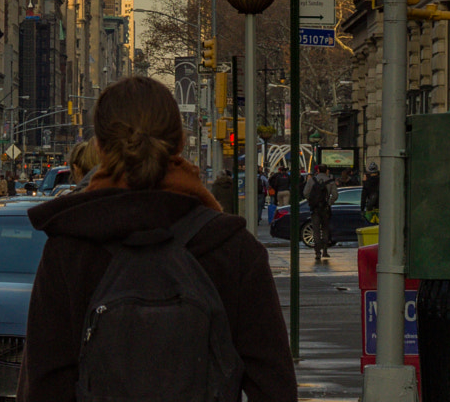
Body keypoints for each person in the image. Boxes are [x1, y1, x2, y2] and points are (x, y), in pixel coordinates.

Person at [17, 76, 297, 402]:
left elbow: (43, 384)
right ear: (180, 144)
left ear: (100, 148)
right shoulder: (231, 247)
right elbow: (275, 383)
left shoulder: (70, 248)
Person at [305, 167, 333, 264]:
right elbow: (335, 195)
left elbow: (305, 193)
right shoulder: (330, 181)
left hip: (315, 209)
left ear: (317, 171)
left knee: (316, 230)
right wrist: (329, 202)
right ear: (326, 171)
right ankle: (325, 250)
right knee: (325, 229)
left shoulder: (312, 180)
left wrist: (312, 201)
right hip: (325, 209)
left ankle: (317, 252)